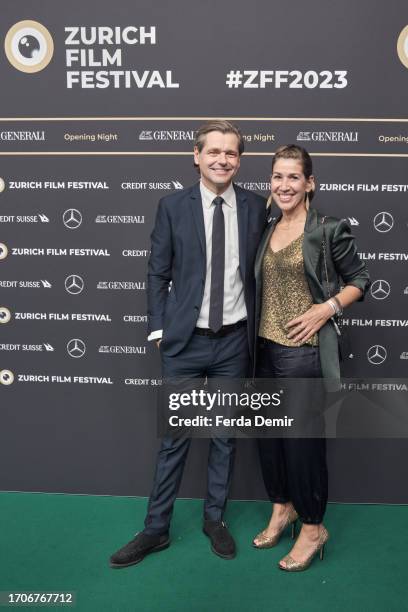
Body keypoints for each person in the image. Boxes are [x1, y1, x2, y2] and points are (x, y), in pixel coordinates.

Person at [110, 120, 267, 568]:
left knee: (223, 437)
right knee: (175, 438)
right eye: (213, 151)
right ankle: (156, 529)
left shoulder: (257, 207)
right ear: (196, 156)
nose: (222, 159)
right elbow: (157, 273)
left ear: (240, 160)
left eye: (231, 153)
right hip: (184, 343)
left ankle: (214, 519)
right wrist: (160, 330)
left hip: (235, 343)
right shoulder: (172, 206)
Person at [252, 145, 370, 571]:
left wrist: (326, 308)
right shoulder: (267, 226)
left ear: (309, 183)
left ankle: (314, 526)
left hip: (302, 354)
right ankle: (283, 508)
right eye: (277, 177)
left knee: (303, 446)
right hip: (262, 352)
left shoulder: (327, 228)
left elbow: (360, 279)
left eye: (293, 177)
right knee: (270, 443)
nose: (284, 185)